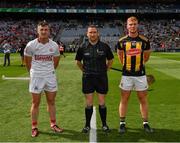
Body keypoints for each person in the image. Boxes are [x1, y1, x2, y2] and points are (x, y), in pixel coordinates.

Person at [24, 21, 63, 137]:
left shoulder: (54, 45)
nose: (44, 32)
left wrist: (49, 71)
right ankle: (34, 127)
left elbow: (56, 62)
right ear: (38, 31)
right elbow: (27, 61)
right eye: (41, 29)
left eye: (46, 29)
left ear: (49, 31)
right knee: (35, 102)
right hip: (36, 76)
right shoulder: (31, 45)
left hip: (50, 76)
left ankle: (53, 124)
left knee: (51, 101)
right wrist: (33, 72)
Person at [116, 16, 153, 134]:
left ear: (138, 25)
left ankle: (145, 123)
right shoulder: (121, 41)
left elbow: (146, 57)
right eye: (130, 24)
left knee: (143, 99)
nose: (132, 26)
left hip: (140, 75)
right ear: (126, 26)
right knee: (124, 99)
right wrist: (127, 67)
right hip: (126, 75)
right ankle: (122, 123)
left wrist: (138, 66)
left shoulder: (144, 40)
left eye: (134, 24)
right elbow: (120, 56)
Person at [75, 25, 114, 133]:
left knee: (102, 102)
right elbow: (78, 62)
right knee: (89, 103)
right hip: (88, 78)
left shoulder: (105, 46)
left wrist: (106, 69)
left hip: (101, 77)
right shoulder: (82, 47)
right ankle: (87, 125)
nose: (92, 34)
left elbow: (110, 60)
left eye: (94, 32)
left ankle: (104, 125)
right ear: (87, 34)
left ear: (98, 33)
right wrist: (84, 71)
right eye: (90, 32)